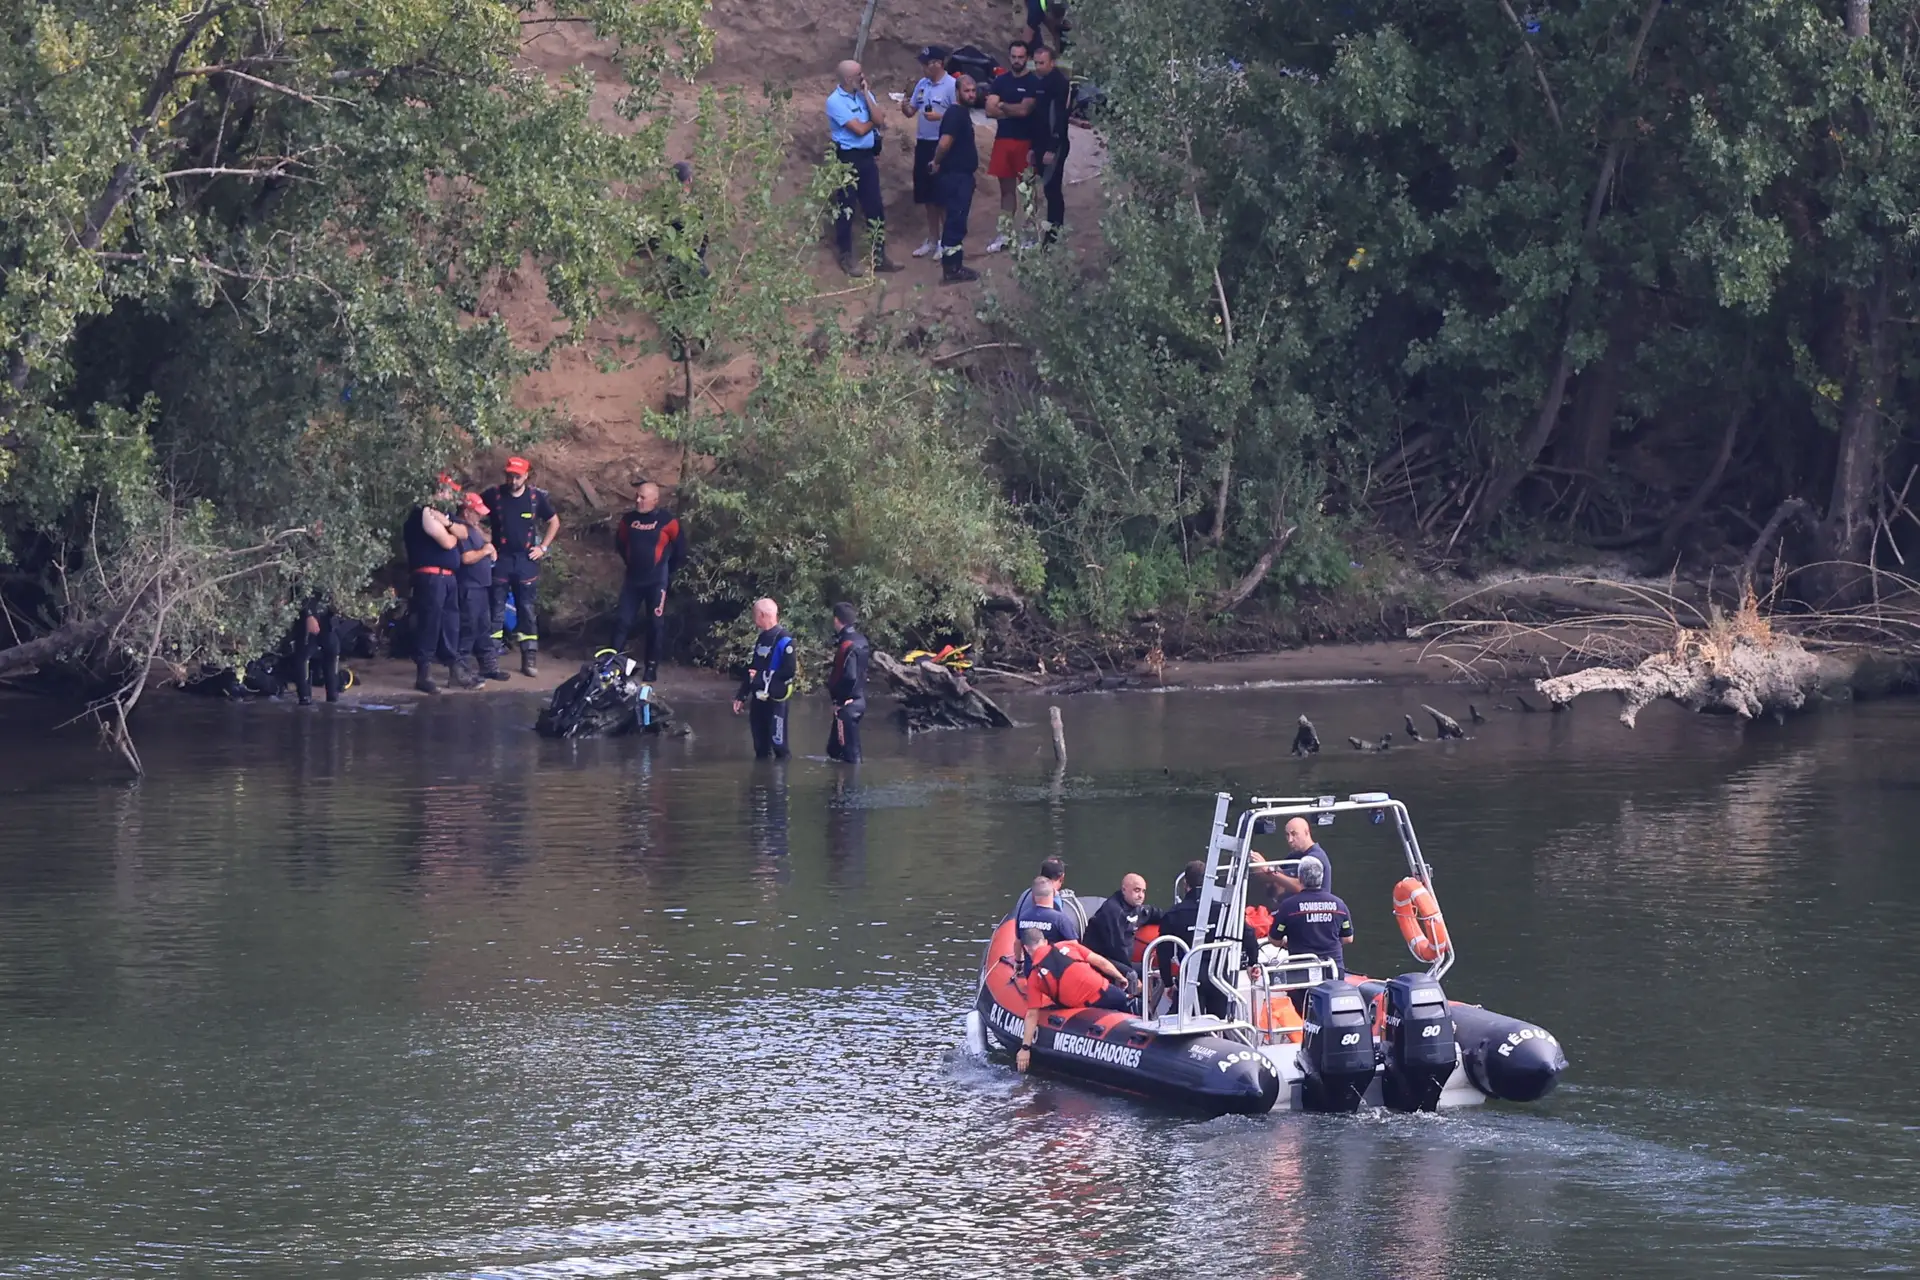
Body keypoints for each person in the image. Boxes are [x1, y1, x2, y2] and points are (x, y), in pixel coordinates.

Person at [480, 456, 559, 678]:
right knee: (495, 610)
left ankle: (529, 657)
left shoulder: (536, 498)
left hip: (526, 561)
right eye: (509, 476)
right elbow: (471, 515)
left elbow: (554, 521)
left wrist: (543, 547)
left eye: (516, 476)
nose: (512, 480)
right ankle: (490, 660)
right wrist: (485, 542)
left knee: (526, 610)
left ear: (526, 475)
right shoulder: (493, 495)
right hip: (501, 559)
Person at [825, 60, 903, 278]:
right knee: (846, 208)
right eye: (859, 74)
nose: (863, 76)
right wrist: (873, 122)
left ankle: (878, 256)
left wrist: (867, 95)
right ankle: (846, 256)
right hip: (848, 158)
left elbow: (879, 119)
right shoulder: (834, 101)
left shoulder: (863, 95)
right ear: (849, 78)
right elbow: (859, 129)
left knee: (875, 207)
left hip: (867, 158)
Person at [1157, 858, 1260, 1017]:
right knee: (1220, 1021)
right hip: (1218, 975)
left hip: (1190, 977)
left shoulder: (1173, 914)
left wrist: (1168, 983)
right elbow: (1249, 934)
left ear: (1186, 884)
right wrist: (1253, 962)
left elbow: (1163, 951)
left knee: (1186, 1022)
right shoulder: (1224, 910)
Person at [612, 479, 687, 681]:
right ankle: (610, 663)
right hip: (633, 580)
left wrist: (666, 572)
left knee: (655, 623)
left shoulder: (667, 521)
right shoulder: (628, 520)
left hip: (656, 582)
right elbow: (620, 543)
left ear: (655, 500)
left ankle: (651, 667)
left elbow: (680, 550)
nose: (638, 500)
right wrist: (631, 563)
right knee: (622, 621)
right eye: (637, 496)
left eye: (643, 497)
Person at [402, 473, 467, 694]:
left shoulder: (446, 515)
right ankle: (424, 672)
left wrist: (448, 523)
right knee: (429, 623)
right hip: (429, 576)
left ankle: (454, 670)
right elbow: (449, 542)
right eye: (448, 491)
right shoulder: (423, 513)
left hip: (448, 577)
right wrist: (452, 531)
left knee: (451, 623)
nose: (450, 496)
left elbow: (464, 531)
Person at [982, 41, 1041, 253]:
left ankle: (1030, 234)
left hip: (1026, 141)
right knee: (1006, 190)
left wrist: (1002, 106)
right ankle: (1005, 233)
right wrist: (1009, 109)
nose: (1017, 60)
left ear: (1028, 58)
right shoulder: (1000, 81)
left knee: (1028, 190)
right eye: (1014, 57)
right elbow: (989, 110)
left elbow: (1025, 111)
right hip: (1003, 139)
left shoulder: (1033, 82)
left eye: (1021, 57)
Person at [926, 73, 982, 284]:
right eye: (966, 91)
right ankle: (951, 270)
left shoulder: (960, 113)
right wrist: (936, 161)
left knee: (958, 221)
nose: (971, 94)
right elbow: (944, 143)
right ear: (957, 92)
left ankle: (955, 265)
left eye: (973, 91)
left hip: (962, 175)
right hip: (955, 177)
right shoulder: (955, 114)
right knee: (955, 222)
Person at [902, 46, 956, 259]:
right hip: (923, 144)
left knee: (942, 195)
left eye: (926, 63)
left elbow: (960, 118)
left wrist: (940, 118)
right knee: (926, 195)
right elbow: (911, 111)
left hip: (943, 145)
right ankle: (932, 239)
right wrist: (905, 106)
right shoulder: (922, 85)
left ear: (938, 63)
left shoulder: (952, 86)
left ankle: (946, 240)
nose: (922, 67)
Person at [731, 597, 797, 759]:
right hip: (758, 698)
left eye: (754, 615)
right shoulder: (762, 638)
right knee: (760, 748)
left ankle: (779, 783)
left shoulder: (785, 639)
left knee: (779, 747)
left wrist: (762, 676)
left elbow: (789, 671)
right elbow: (752, 668)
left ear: (761, 615)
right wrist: (741, 695)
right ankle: (760, 782)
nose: (754, 619)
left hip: (776, 699)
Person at [1271, 857, 1355, 976]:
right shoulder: (1339, 905)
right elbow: (1348, 938)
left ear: (1300, 878)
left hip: (1301, 970)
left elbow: (1274, 939)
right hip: (1333, 970)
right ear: (1321, 878)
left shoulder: (1288, 907)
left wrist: (1286, 942)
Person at [455, 491, 506, 683]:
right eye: (477, 513)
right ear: (467, 512)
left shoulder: (472, 528)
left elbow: (485, 541)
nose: (481, 516)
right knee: (468, 629)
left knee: (483, 628)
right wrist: (485, 550)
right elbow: (466, 558)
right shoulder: (461, 529)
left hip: (481, 586)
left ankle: (488, 666)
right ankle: (461, 669)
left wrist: (488, 546)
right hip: (469, 587)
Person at [1021, 928, 1134, 1011]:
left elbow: (1032, 1012)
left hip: (1082, 1009)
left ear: (1026, 948)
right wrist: (1120, 977)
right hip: (1103, 991)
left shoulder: (1034, 976)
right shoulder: (1069, 945)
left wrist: (1025, 1044)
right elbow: (1101, 963)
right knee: (1133, 1005)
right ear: (1045, 941)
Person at [1030, 46, 1072, 244]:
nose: (1038, 67)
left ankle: (1054, 233)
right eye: (1036, 63)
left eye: (1042, 63)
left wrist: (1052, 147)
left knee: (1052, 188)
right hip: (1040, 142)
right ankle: (1049, 230)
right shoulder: (1041, 82)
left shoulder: (1058, 84)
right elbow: (1038, 117)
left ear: (1052, 63)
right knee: (1045, 188)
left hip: (1054, 145)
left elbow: (1060, 118)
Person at [1083, 873, 1161, 975]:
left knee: (1156, 970)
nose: (1141, 895)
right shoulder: (1113, 912)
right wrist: (1131, 974)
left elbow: (1156, 914)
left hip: (1122, 960)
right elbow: (1117, 950)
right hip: (1101, 961)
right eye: (1137, 890)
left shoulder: (1136, 908)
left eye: (1143, 891)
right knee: (1139, 973)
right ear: (1124, 890)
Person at [825, 601, 870, 763]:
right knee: (834, 750)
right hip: (858, 700)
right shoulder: (861, 640)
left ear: (837, 620)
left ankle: (850, 787)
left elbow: (850, 676)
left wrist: (840, 701)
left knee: (851, 757)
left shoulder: (847, 645)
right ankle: (839, 785)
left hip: (847, 706)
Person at [292, 589, 342, 705]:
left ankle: (333, 698)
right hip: (307, 621)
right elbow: (299, 591)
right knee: (303, 657)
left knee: (332, 652)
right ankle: (304, 699)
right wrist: (308, 615)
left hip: (327, 620)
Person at [1264, 817, 1335, 895]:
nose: (1290, 840)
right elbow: (1280, 874)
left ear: (1306, 832)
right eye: (1287, 835)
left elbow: (1300, 886)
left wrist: (1268, 870)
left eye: (1294, 834)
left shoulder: (1315, 858)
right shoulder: (1295, 855)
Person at [1015, 876, 1081, 942]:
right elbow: (1073, 945)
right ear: (1054, 893)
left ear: (1032, 896)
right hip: (1054, 951)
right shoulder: (1060, 919)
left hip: (1030, 952)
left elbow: (1018, 943)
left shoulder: (1022, 917)